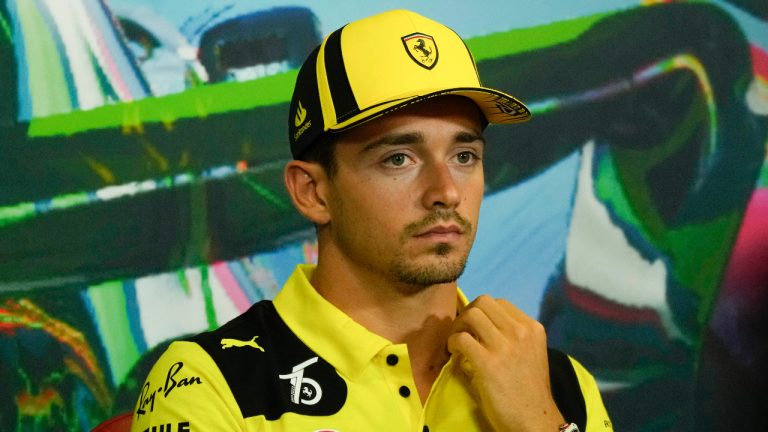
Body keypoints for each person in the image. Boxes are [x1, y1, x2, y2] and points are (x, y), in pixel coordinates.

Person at [130, 9, 612, 432]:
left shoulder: (559, 386)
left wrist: (539, 423)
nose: (446, 192)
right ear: (312, 191)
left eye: (464, 155)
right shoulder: (211, 382)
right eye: (398, 159)